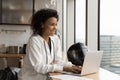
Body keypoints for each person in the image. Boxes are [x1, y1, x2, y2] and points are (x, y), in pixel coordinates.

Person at [18, 8, 82, 80]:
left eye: (56, 24)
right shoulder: (34, 41)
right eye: (52, 24)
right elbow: (39, 67)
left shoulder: (55, 39)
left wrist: (73, 66)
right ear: (42, 25)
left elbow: (57, 61)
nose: (55, 28)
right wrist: (64, 68)